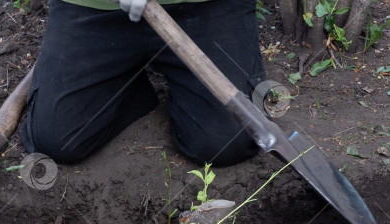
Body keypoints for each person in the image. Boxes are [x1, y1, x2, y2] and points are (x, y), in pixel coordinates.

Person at [19, 0, 266, 166]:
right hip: (95, 7)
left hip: (205, 7)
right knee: (58, 140)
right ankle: (125, 88)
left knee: (227, 142)